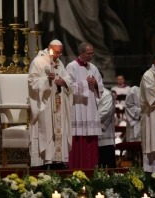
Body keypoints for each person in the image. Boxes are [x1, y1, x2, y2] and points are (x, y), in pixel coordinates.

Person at [28, 39, 73, 168]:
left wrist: (63, 82)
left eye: (60, 53)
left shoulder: (59, 63)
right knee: (46, 130)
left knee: (59, 129)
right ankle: (45, 161)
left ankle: (58, 161)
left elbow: (67, 78)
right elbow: (32, 82)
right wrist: (46, 80)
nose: (57, 55)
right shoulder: (38, 62)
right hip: (46, 103)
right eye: (55, 52)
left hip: (58, 103)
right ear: (49, 49)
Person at [66, 42, 104, 169]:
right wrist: (85, 83)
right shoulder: (71, 67)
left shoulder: (93, 67)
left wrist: (96, 84)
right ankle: (76, 167)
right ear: (81, 53)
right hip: (78, 106)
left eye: (92, 53)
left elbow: (101, 85)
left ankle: (91, 167)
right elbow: (68, 87)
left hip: (91, 107)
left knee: (91, 140)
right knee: (78, 138)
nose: (90, 56)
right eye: (88, 54)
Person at [96, 71, 116, 168]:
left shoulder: (106, 94)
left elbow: (104, 113)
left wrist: (88, 122)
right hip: (91, 139)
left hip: (104, 138)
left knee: (107, 168)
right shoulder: (88, 94)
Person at [125, 71, 145, 142]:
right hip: (137, 122)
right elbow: (128, 107)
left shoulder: (153, 90)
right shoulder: (134, 90)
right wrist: (142, 111)